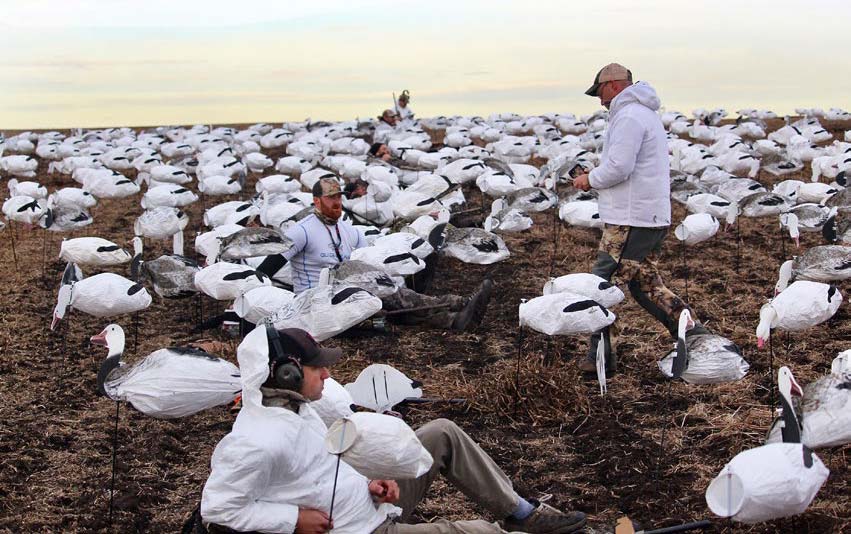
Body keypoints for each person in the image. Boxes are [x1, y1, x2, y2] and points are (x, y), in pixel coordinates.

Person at [201, 326, 587, 533]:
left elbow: (320, 470)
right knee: (479, 533)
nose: (328, 372)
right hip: (359, 530)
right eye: (317, 366)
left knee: (441, 433)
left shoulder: (295, 408)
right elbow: (217, 510)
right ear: (284, 372)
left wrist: (370, 481)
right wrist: (292, 521)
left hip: (368, 505)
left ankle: (520, 512)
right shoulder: (257, 442)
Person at [572, 63, 700, 374]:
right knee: (646, 286)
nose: (600, 101)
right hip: (647, 216)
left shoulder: (628, 116)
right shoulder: (644, 113)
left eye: (600, 92)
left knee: (603, 285)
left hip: (630, 220)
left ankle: (600, 357)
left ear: (614, 85)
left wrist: (589, 180)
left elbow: (619, 167)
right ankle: (697, 339)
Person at [280, 177, 493, 331]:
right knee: (391, 300)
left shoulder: (347, 230)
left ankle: (455, 318)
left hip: (348, 293)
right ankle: (457, 305)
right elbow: (268, 267)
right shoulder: (301, 231)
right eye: (330, 198)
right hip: (317, 303)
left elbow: (368, 258)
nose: (337, 202)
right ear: (317, 201)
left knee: (387, 302)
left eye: (339, 197)